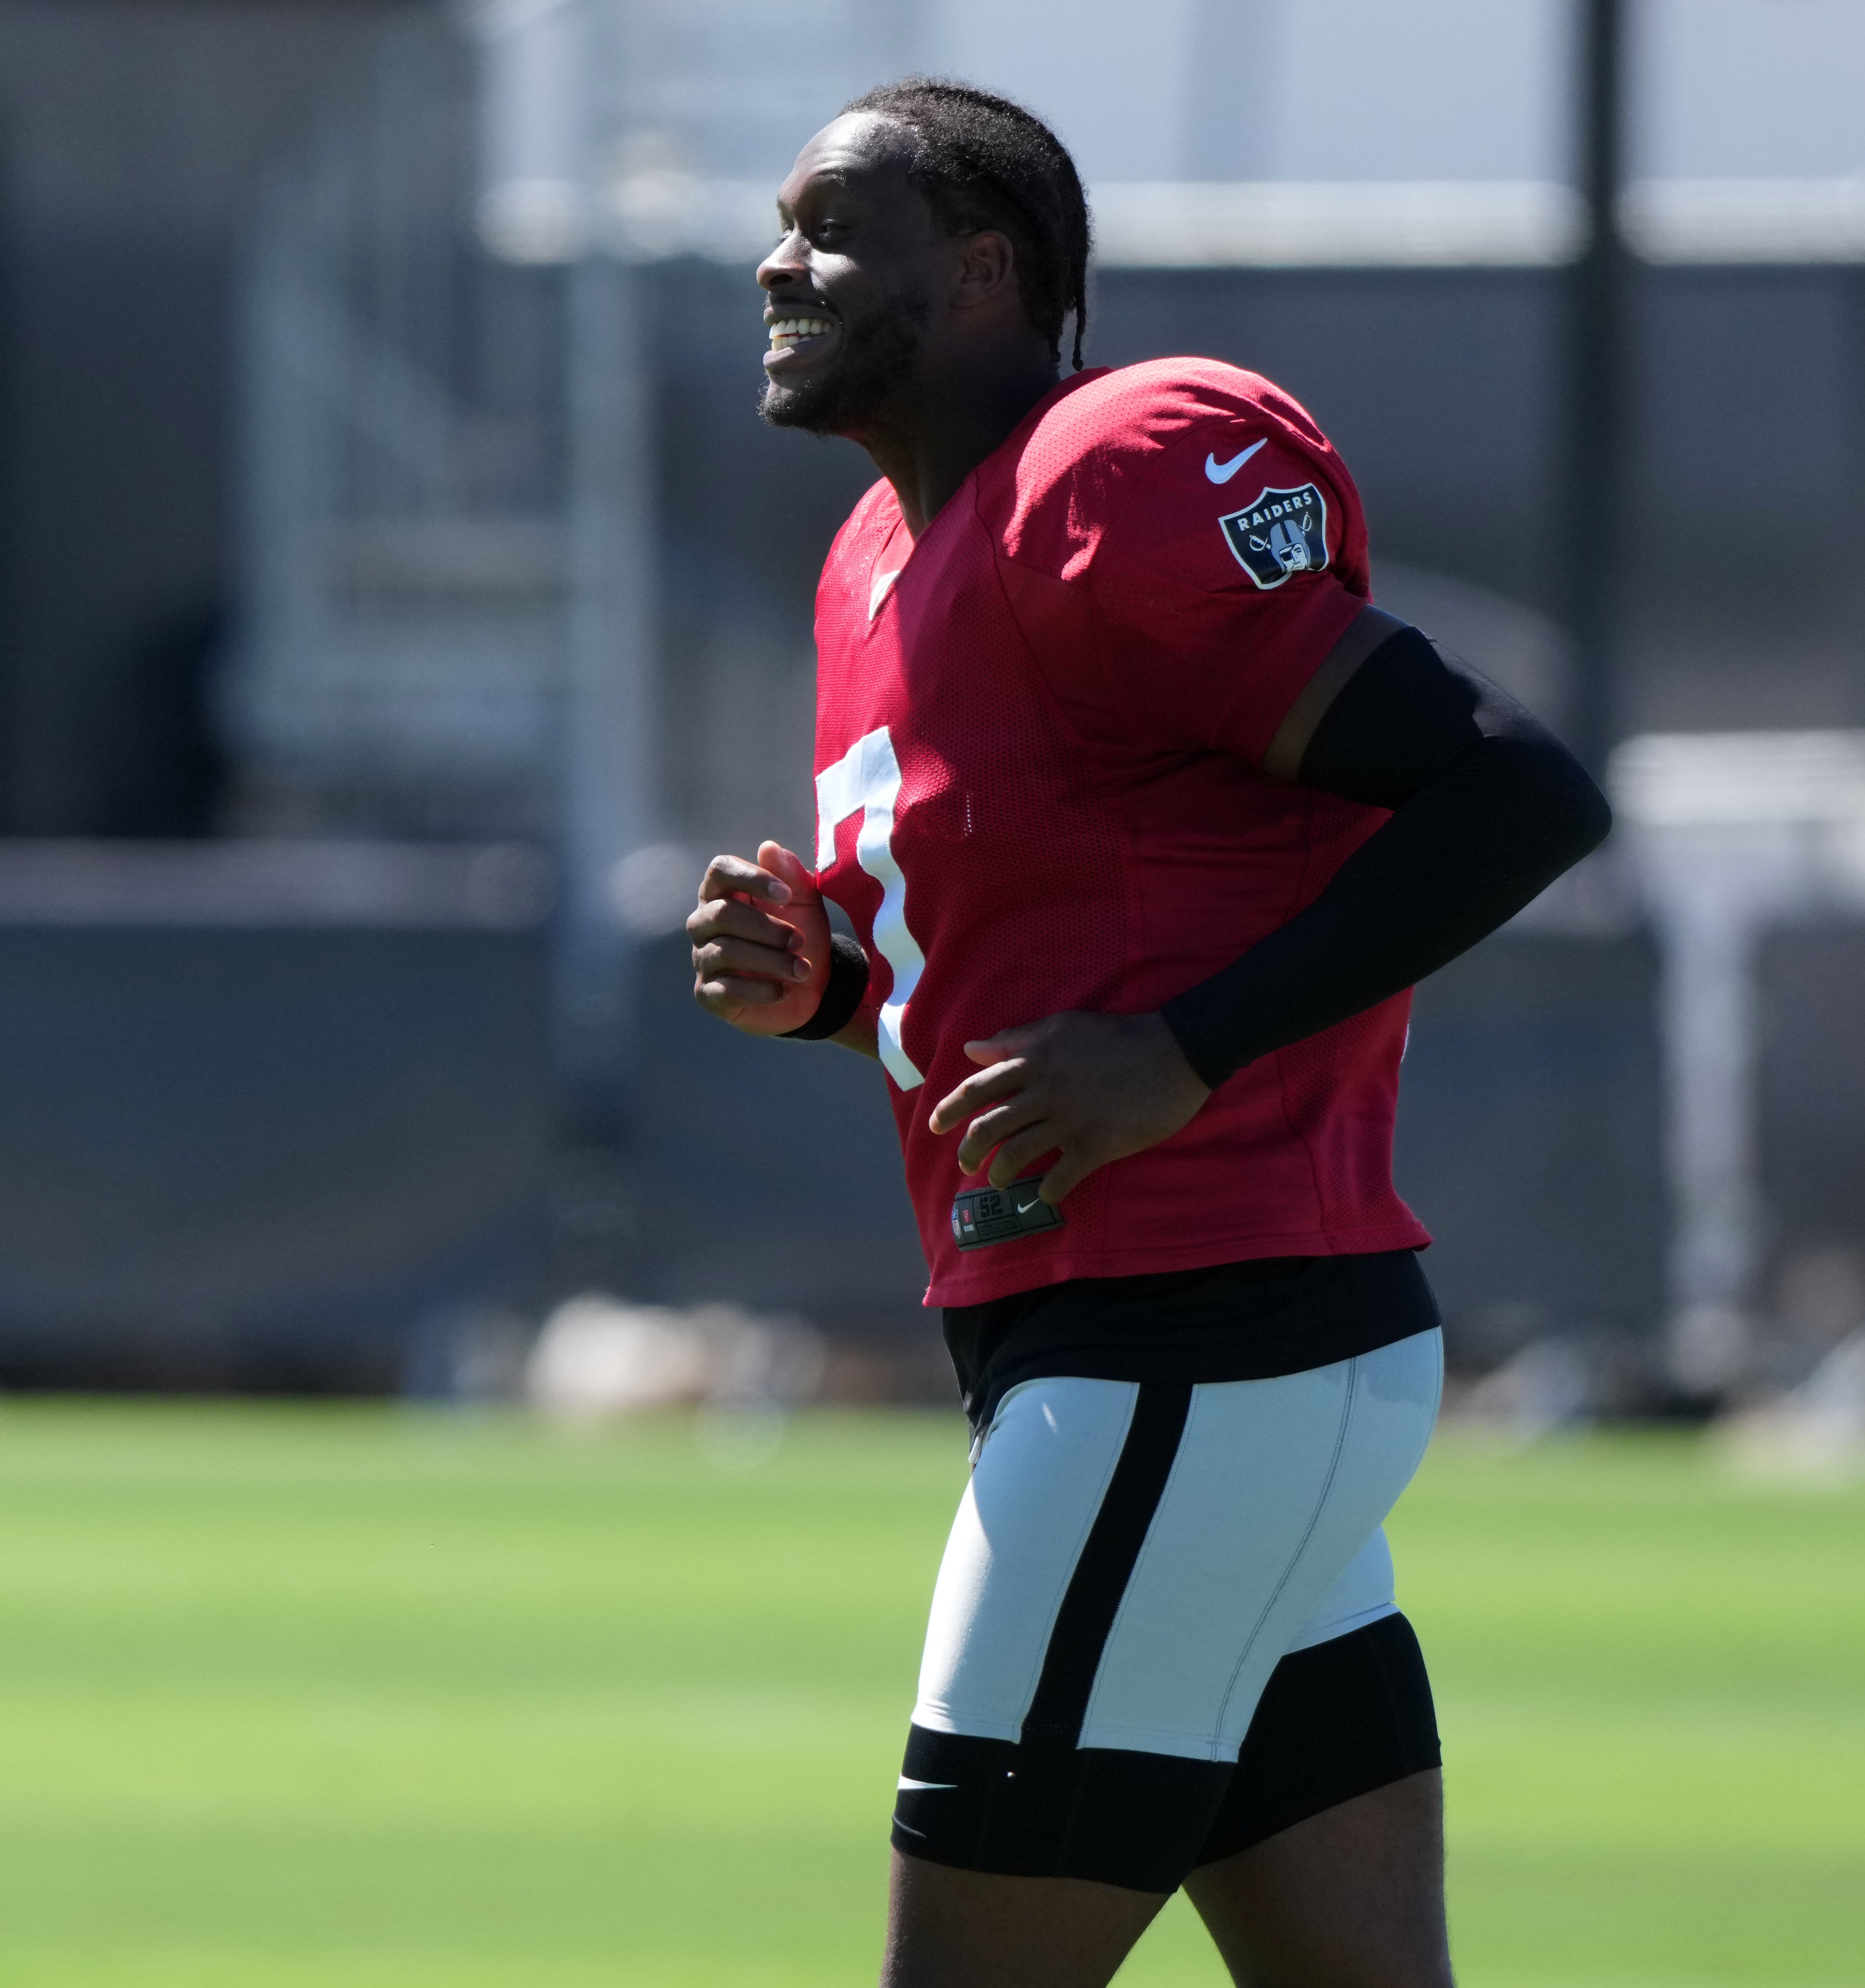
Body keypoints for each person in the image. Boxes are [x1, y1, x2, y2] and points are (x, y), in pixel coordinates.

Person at [685, 79, 1611, 1988]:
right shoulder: (873, 559)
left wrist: (1190, 1047)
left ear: (983, 270)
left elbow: (1515, 790)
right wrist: (840, 990)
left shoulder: (1114, 471)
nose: (778, 260)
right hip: (1175, 1363)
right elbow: (1041, 966)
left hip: (1191, 1339)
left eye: (830, 222)